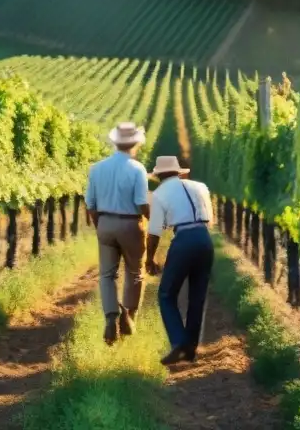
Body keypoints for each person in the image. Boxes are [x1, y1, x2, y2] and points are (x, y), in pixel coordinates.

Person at [85, 121, 151, 345]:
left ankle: (111, 317)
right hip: (131, 224)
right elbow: (142, 202)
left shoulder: (97, 168)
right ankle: (129, 316)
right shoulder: (137, 169)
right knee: (135, 272)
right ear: (135, 144)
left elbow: (91, 204)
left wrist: (99, 225)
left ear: (115, 142)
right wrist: (152, 219)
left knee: (106, 275)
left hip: (105, 222)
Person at [146, 155, 214, 365]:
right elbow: (210, 219)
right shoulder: (200, 186)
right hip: (204, 239)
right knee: (197, 297)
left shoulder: (159, 194)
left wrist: (149, 258)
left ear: (159, 176)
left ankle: (179, 343)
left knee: (166, 294)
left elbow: (155, 231)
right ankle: (190, 350)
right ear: (178, 172)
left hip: (183, 239)